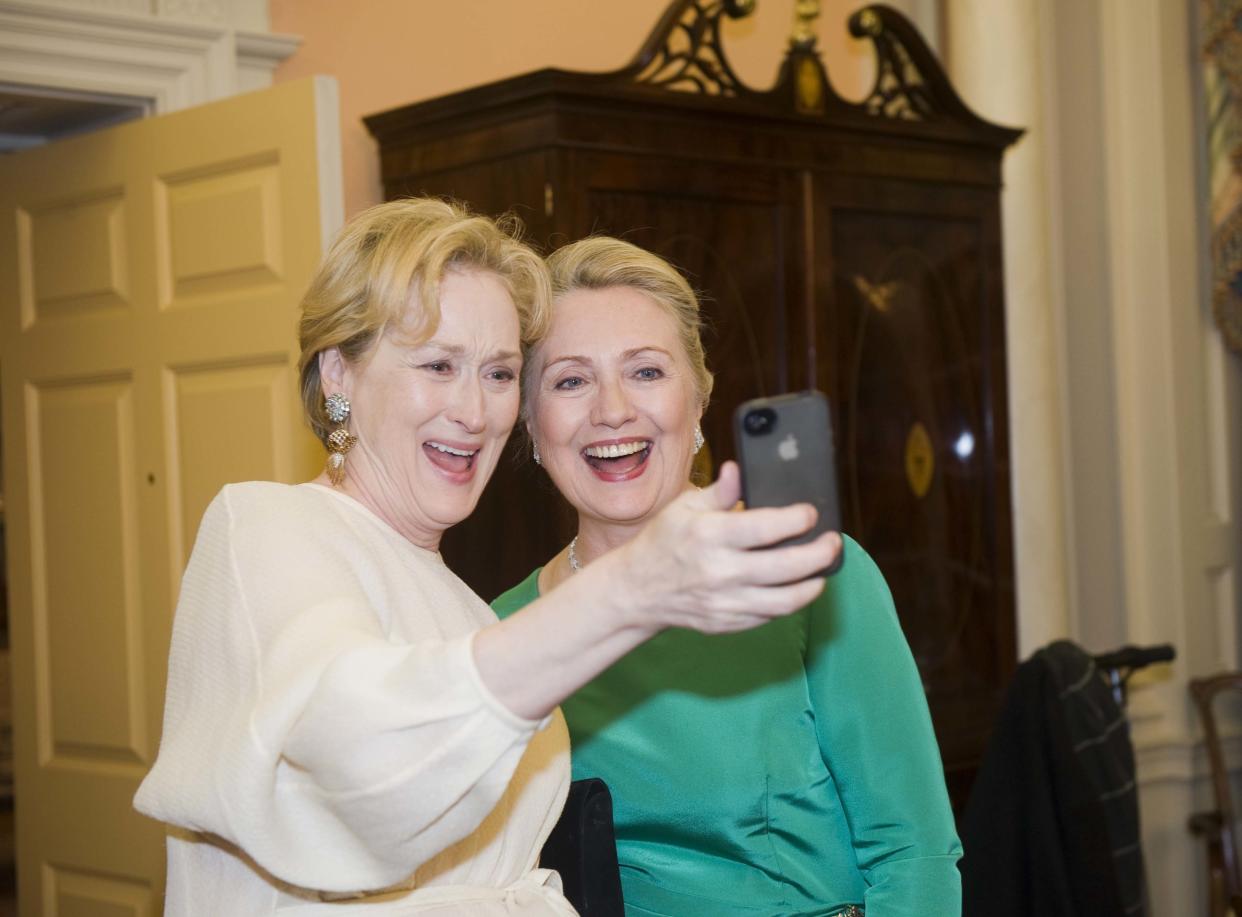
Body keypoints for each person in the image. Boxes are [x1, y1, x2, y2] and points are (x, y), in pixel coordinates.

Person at [133, 199, 840, 916]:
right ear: (338, 375)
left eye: (500, 374)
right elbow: (356, 756)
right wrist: (632, 588)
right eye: (439, 364)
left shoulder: (468, 607)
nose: (474, 412)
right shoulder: (266, 526)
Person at [493, 236, 963, 916]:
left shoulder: (809, 576)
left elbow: (913, 851)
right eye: (571, 380)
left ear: (699, 399)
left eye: (647, 372)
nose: (613, 409)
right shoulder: (495, 631)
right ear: (531, 424)